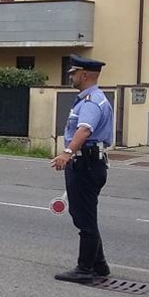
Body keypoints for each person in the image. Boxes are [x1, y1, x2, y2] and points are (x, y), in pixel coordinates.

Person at [51, 54, 114, 284]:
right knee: (85, 215)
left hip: (85, 164)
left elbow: (84, 130)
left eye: (73, 72)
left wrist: (67, 153)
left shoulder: (90, 102)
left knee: (83, 218)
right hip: (90, 163)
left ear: (85, 75)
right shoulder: (94, 98)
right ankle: (99, 264)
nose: (70, 76)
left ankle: (85, 269)